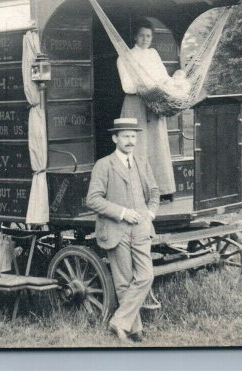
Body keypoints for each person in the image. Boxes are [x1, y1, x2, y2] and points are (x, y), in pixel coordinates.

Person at [86, 118, 161, 343]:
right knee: (124, 281)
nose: (130, 141)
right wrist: (122, 213)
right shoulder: (104, 165)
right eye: (126, 136)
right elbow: (93, 200)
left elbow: (155, 192)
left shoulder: (141, 162)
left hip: (140, 229)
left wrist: (150, 214)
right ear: (115, 138)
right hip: (115, 229)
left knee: (146, 276)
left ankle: (119, 321)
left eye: (133, 136)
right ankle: (133, 329)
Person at [116, 20, 177, 194]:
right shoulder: (125, 57)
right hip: (135, 105)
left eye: (148, 35)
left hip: (155, 104)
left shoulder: (154, 54)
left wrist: (174, 86)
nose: (145, 39)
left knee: (157, 145)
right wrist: (152, 86)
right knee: (137, 145)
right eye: (141, 35)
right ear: (135, 36)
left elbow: (164, 78)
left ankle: (160, 189)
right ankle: (136, 190)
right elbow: (128, 86)